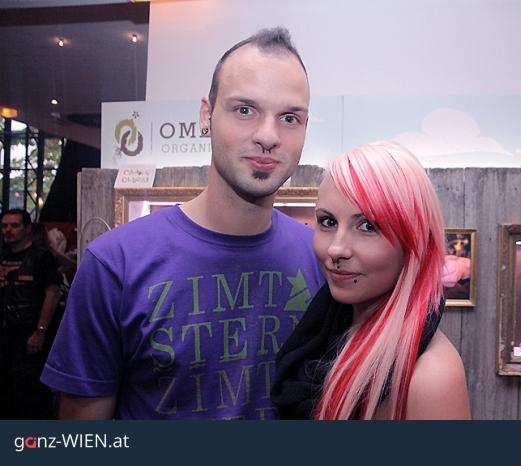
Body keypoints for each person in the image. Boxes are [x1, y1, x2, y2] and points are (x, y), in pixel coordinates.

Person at [41, 27, 325, 420]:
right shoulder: (115, 264)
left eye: (290, 117)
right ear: (206, 116)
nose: (268, 136)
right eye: (245, 110)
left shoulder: (320, 259)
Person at [272, 142, 471, 420]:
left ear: (413, 241)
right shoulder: (328, 326)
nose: (336, 249)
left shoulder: (431, 377)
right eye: (328, 222)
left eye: (367, 226)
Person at [0, 209, 61, 419]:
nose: (8, 230)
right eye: (4, 226)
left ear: (27, 229)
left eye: (14, 225)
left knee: (30, 393)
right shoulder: (2, 255)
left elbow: (52, 293)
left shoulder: (41, 257)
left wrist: (40, 331)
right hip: (5, 334)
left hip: (28, 333)